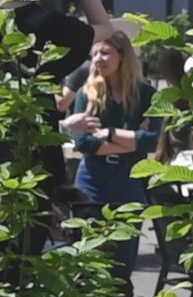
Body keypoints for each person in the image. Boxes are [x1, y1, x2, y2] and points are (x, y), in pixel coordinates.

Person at [61, 24, 161, 208]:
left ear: (122, 55)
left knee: (128, 235)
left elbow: (151, 141)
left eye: (105, 53)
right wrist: (132, 141)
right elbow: (84, 143)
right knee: (87, 235)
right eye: (95, 54)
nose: (98, 59)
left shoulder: (147, 95)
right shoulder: (86, 93)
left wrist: (109, 133)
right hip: (91, 178)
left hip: (131, 177)